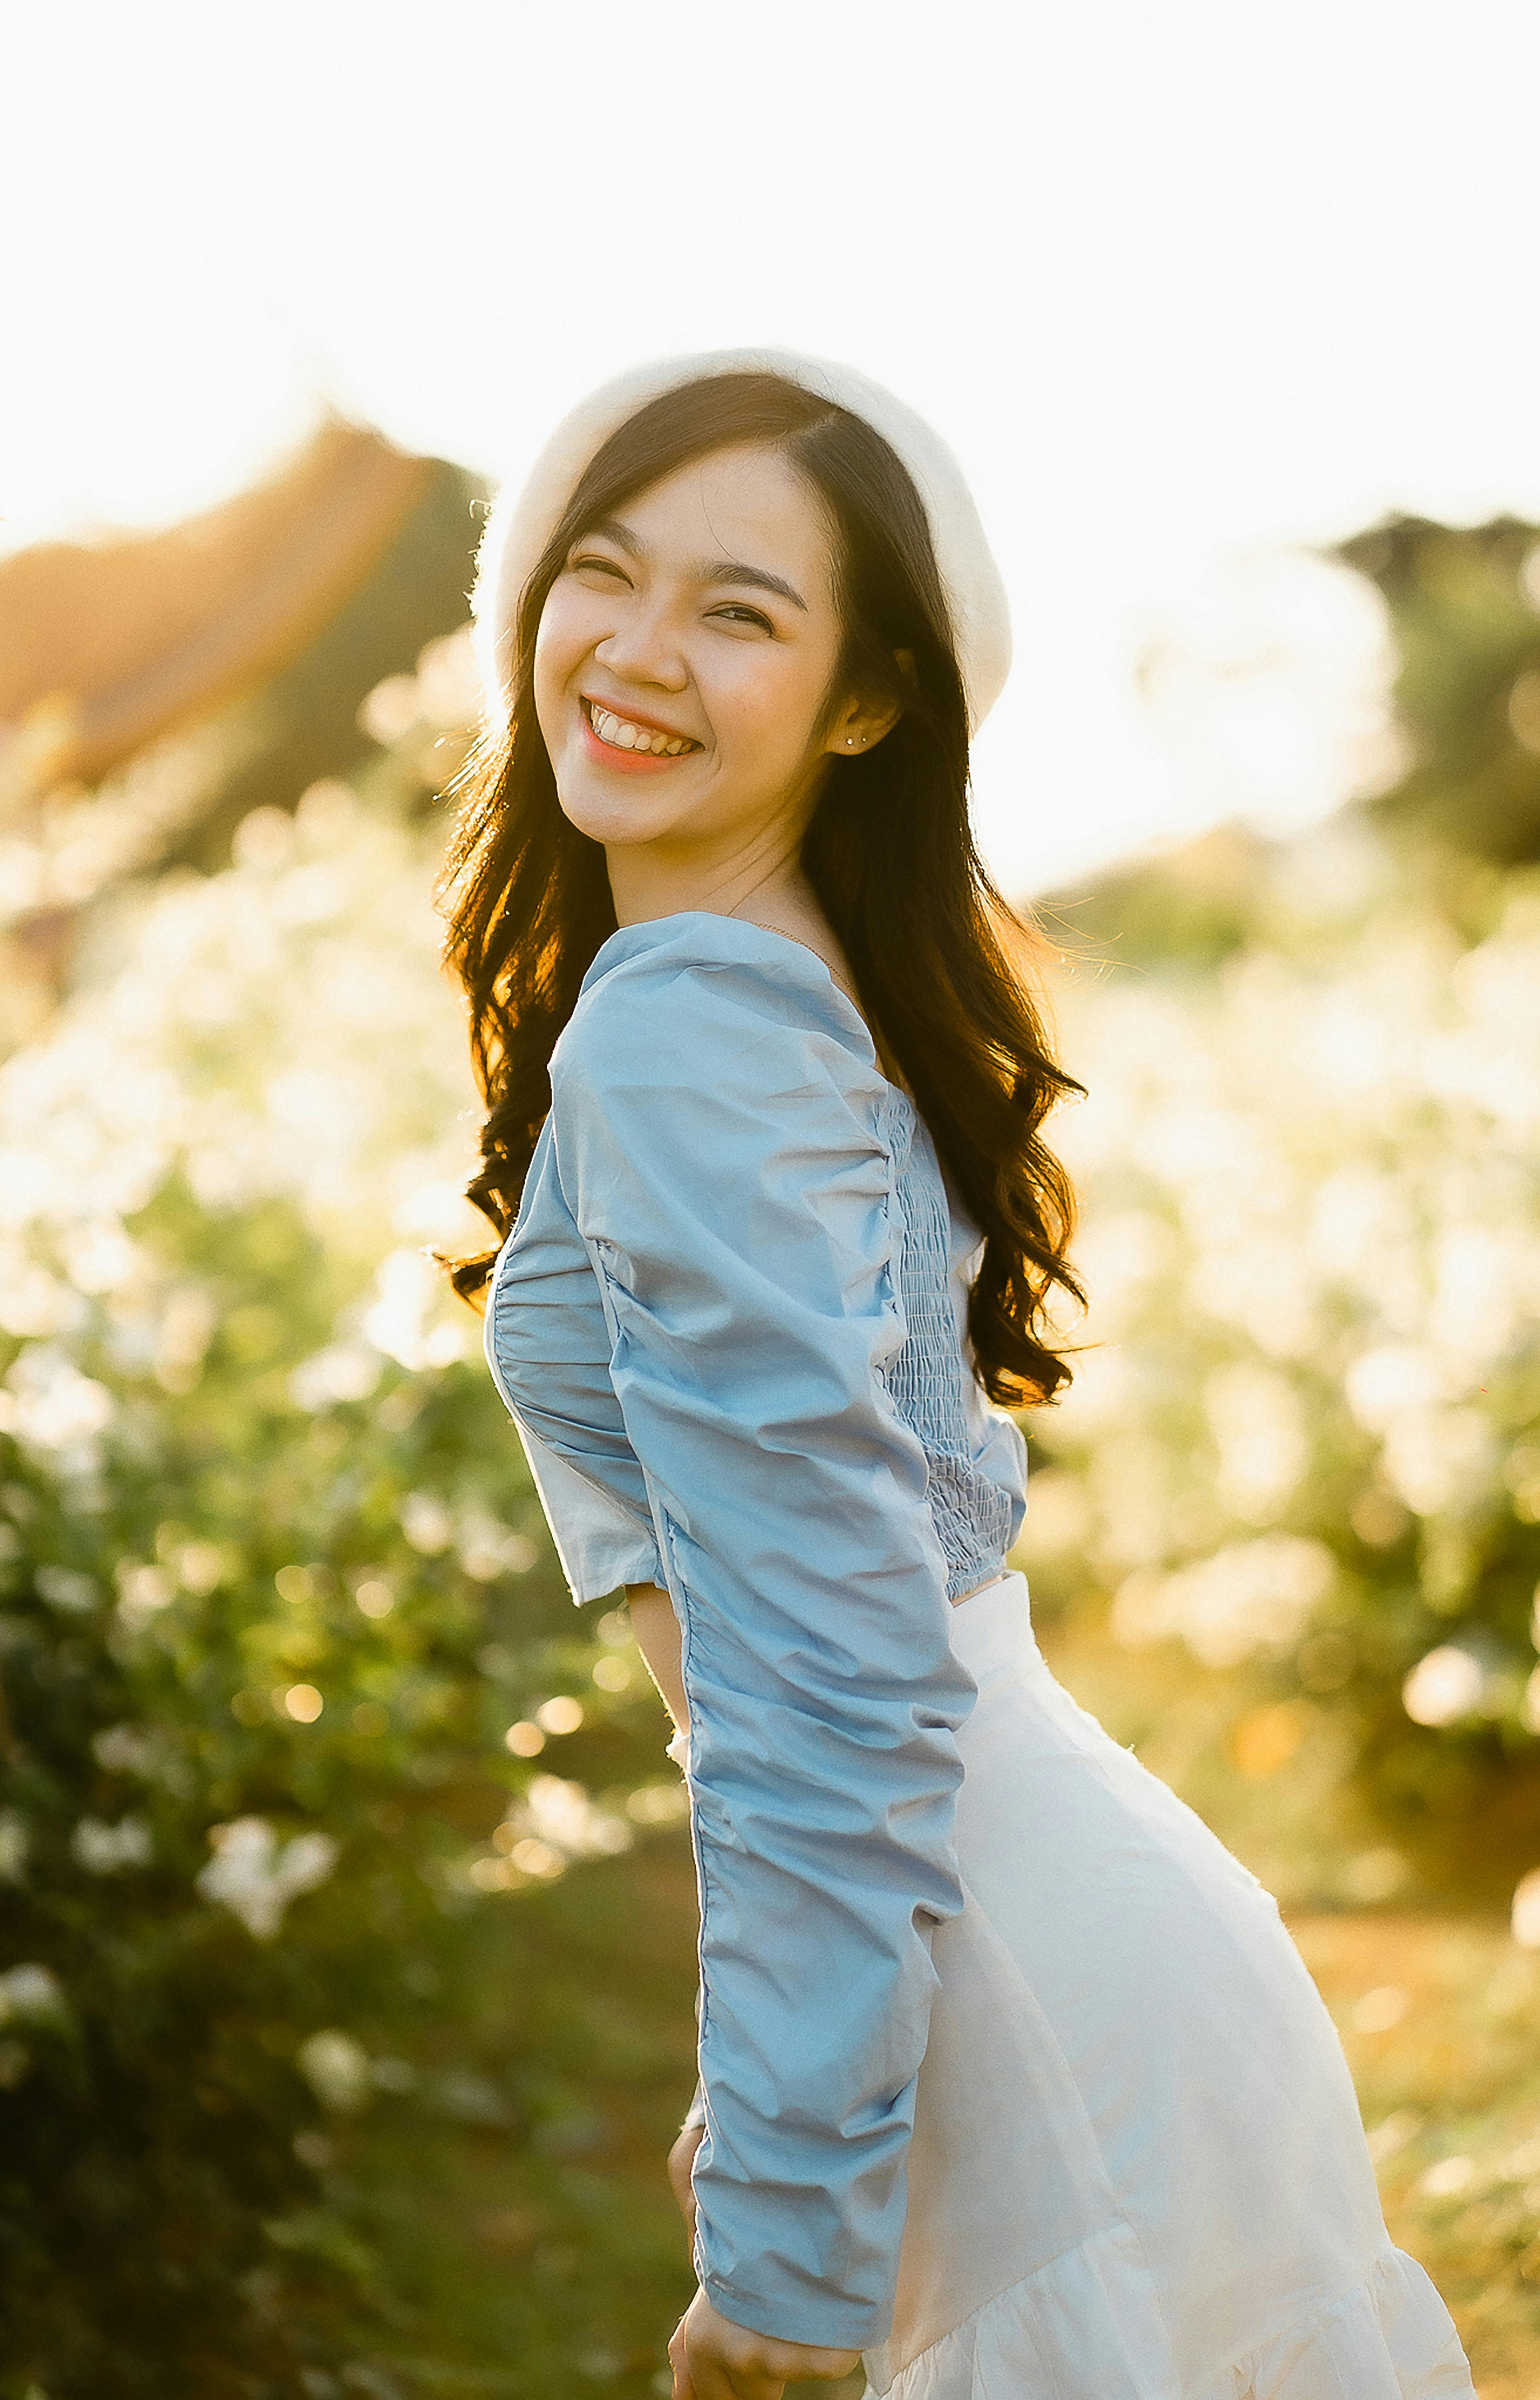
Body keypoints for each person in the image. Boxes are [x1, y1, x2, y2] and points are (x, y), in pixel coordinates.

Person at [445, 350, 1476, 2400]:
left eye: (741, 611)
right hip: (1038, 1921)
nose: (637, 651)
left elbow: (825, 1653)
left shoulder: (687, 1021)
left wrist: (790, 2226)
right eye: (605, 572)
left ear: (866, 697)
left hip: (1006, 1979)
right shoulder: (781, 976)